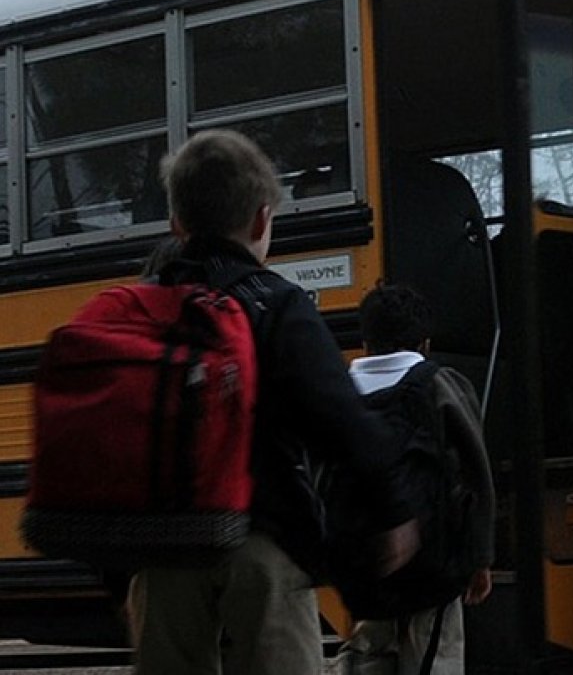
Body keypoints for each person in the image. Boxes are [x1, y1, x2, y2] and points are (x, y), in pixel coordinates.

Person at [128, 129, 419, 675]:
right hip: (260, 545)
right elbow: (342, 421)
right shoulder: (278, 304)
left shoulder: (140, 312)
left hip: (161, 554)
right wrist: (393, 510)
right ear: (262, 221)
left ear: (177, 225)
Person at [343, 282, 496, 675]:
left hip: (367, 567)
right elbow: (476, 473)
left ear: (365, 339)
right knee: (434, 658)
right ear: (424, 343)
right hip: (435, 566)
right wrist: (479, 558)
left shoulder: (340, 392)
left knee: (368, 658)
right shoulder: (441, 385)